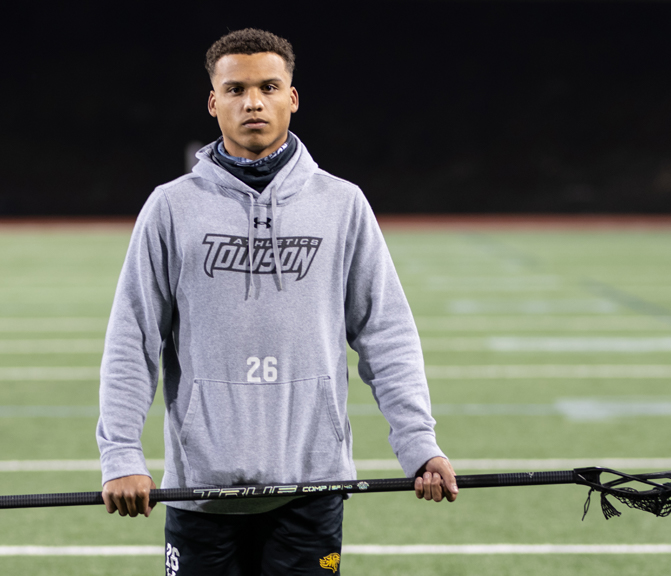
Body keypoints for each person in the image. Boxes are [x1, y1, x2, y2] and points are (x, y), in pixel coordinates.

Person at [96, 28, 456, 576]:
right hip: (202, 492)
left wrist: (419, 445)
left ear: (292, 97)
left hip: (311, 487)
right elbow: (133, 338)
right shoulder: (170, 208)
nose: (253, 102)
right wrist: (121, 455)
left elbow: (385, 333)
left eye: (269, 86)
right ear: (214, 102)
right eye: (236, 89)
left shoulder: (342, 204)